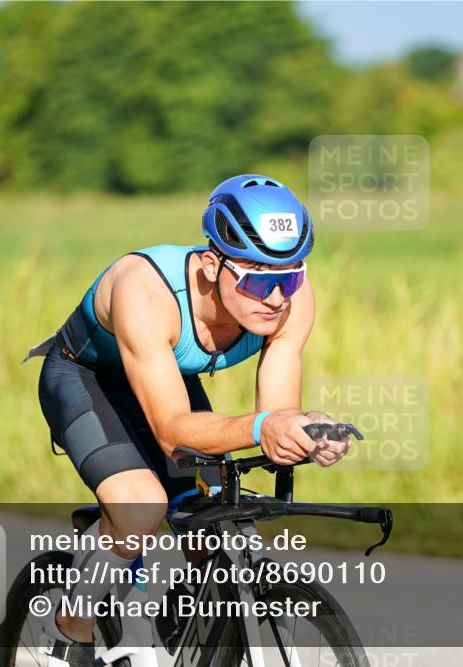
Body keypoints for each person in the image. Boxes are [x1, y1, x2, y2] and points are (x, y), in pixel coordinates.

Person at [29, 174, 352, 666]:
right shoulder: (144, 291)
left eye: (290, 276)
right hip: (87, 378)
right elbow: (173, 430)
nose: (277, 297)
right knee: (141, 506)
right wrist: (262, 427)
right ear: (210, 265)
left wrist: (305, 431)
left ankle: (186, 624)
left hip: (165, 378)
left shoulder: (291, 299)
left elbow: (276, 414)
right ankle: (70, 630)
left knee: (218, 523)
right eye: (260, 279)